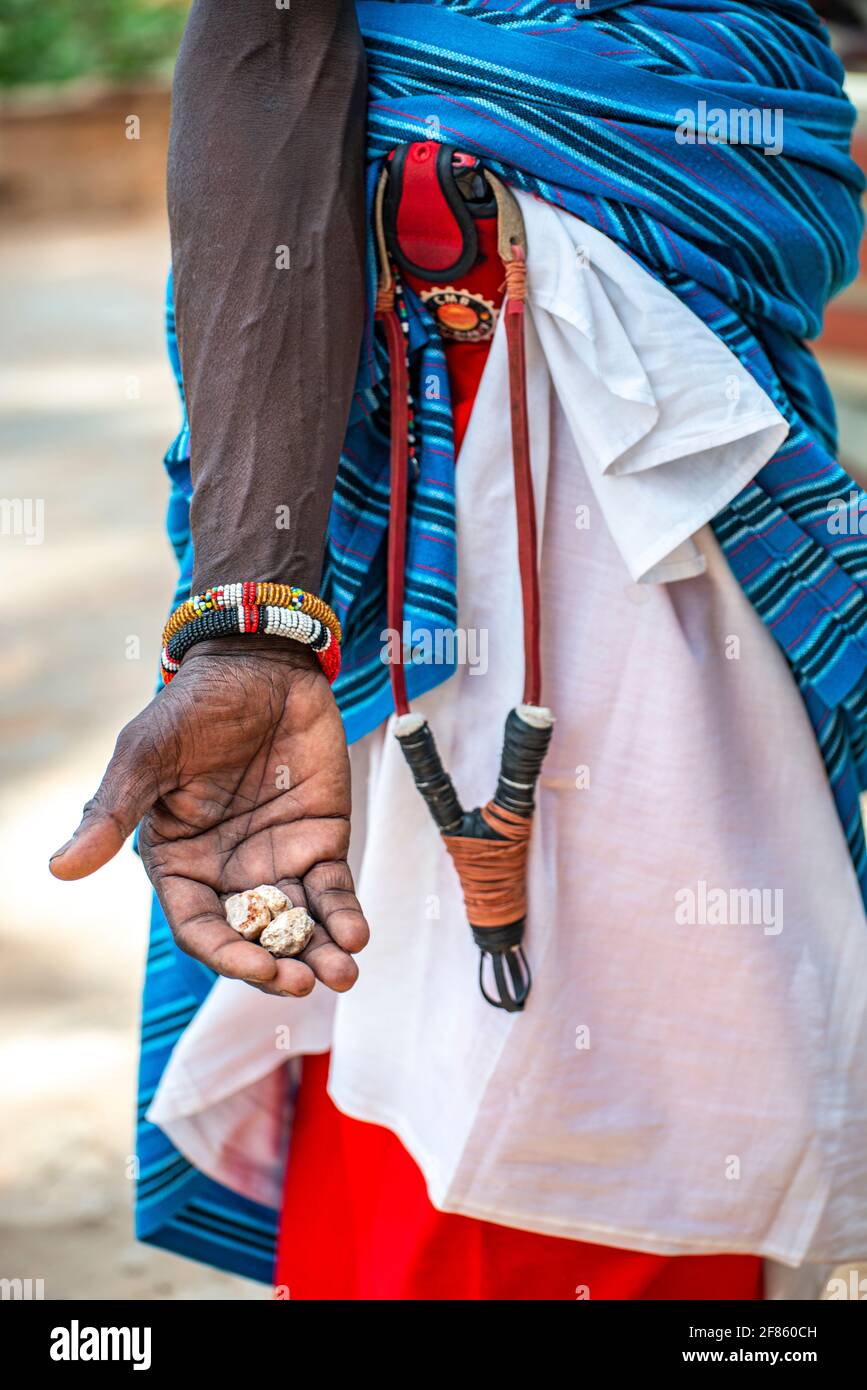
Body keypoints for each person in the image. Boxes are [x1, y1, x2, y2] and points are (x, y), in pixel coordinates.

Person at [50, 0, 867, 1300]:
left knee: (684, 1053)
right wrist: (251, 622)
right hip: (438, 474)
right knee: (435, 1073)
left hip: (699, 476)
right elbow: (266, 48)